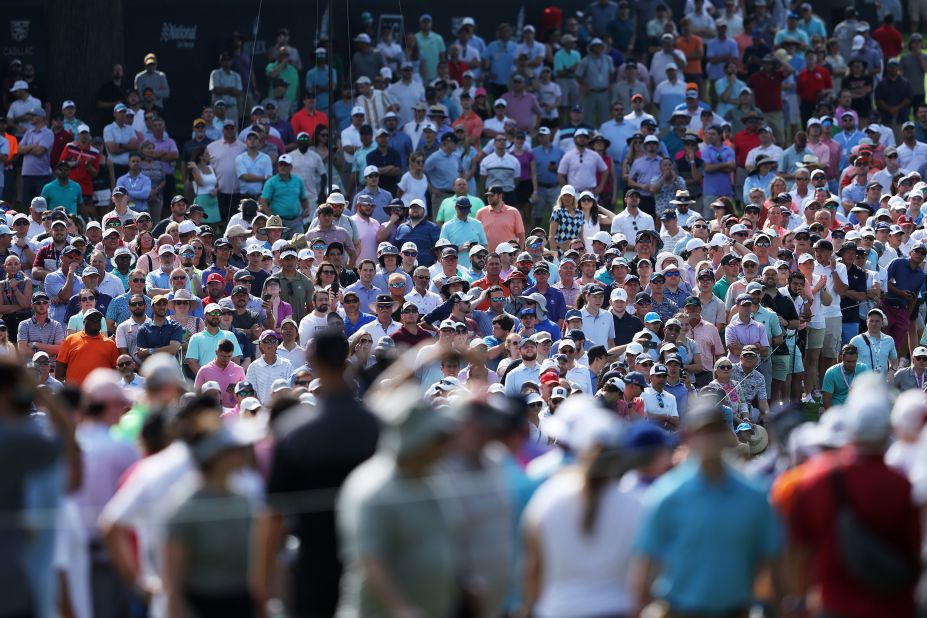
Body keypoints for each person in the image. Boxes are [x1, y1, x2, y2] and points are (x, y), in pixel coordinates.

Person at [258, 329, 379, 616]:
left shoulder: (295, 433)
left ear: (313, 360)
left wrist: (260, 583)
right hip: (368, 560)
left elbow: (273, 515)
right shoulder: (374, 425)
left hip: (315, 563)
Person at [631, 400, 782, 616]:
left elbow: (772, 559)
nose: (709, 439)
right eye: (703, 431)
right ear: (689, 437)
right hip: (680, 609)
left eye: (715, 430)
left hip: (736, 609)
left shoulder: (753, 494)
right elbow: (645, 564)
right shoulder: (668, 494)